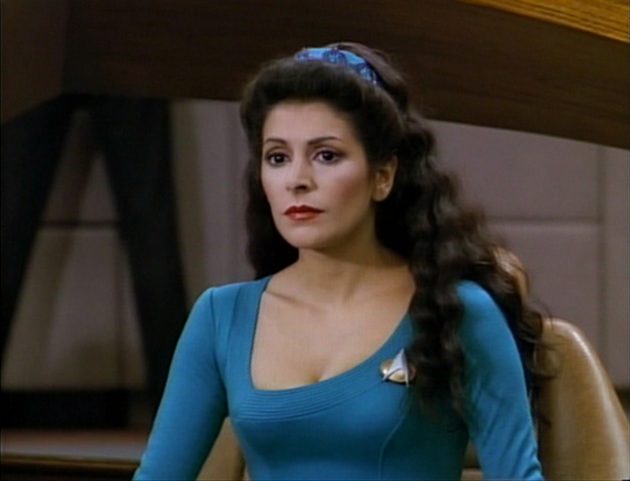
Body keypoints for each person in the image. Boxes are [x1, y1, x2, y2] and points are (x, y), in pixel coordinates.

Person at [134, 42, 549, 480]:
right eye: (278, 157)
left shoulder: (455, 310)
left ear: (383, 176)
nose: (297, 180)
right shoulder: (221, 316)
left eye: (326, 155)